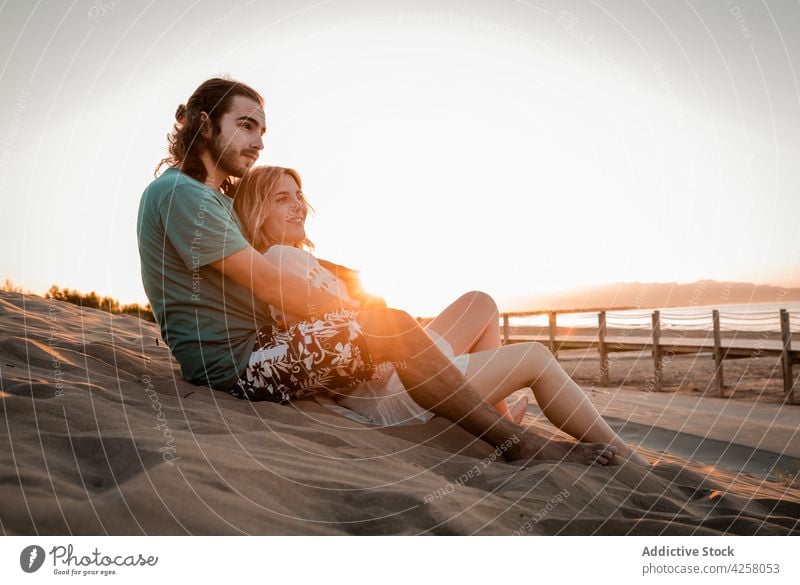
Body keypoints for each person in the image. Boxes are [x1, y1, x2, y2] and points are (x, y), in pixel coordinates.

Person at [136, 77, 624, 468]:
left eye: (262, 130)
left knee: (395, 322)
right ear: (204, 124)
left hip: (255, 354)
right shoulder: (182, 194)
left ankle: (483, 415)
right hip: (239, 366)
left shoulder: (210, 199)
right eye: (245, 125)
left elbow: (264, 261)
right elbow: (266, 281)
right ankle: (518, 443)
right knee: (387, 324)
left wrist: (340, 282)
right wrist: (358, 312)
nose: (259, 141)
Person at [232, 165, 650, 467]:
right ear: (257, 211)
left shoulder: (295, 259)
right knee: (535, 357)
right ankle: (630, 462)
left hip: (396, 372)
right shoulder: (279, 259)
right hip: (392, 390)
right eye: (281, 199)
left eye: (298, 195)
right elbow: (339, 332)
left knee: (480, 302)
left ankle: (497, 418)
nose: (297, 206)